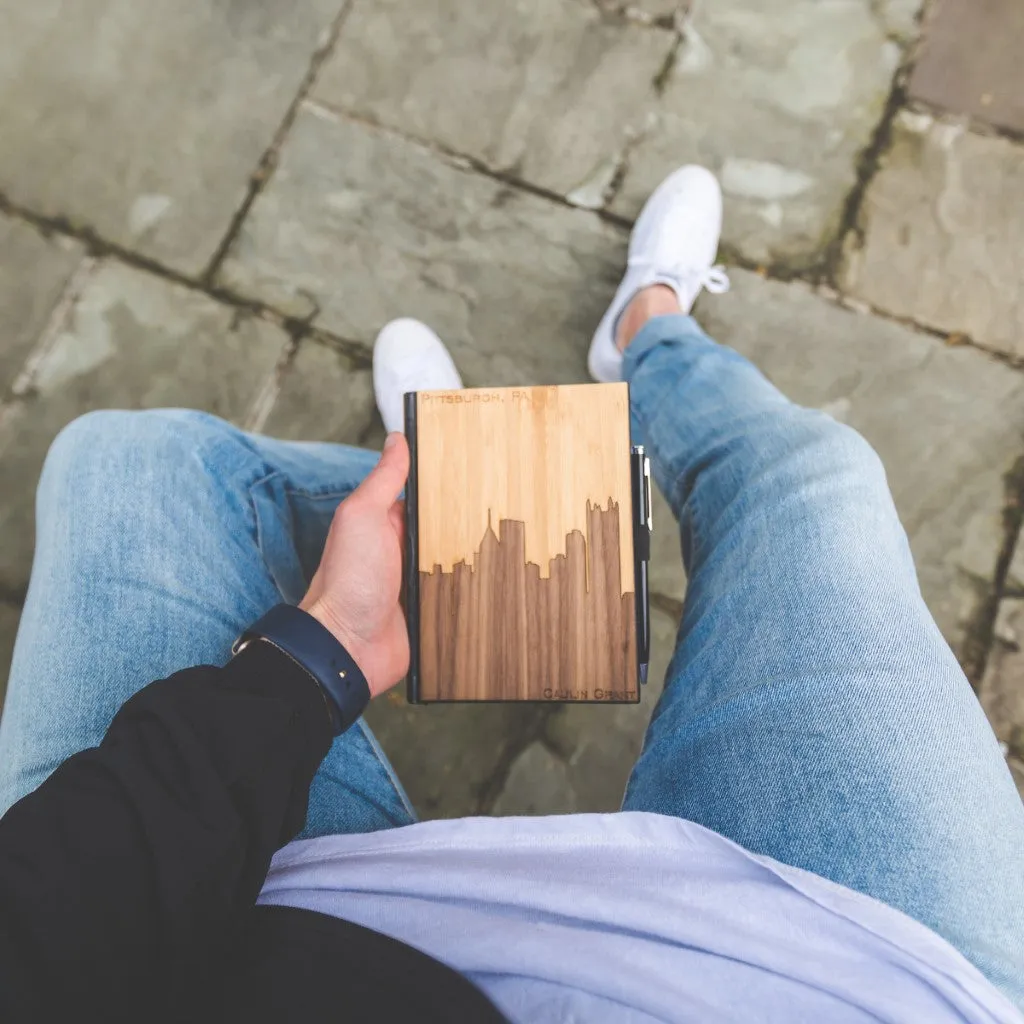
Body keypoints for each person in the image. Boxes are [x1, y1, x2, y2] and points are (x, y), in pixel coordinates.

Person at [0, 166, 1021, 1024]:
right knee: (812, 478)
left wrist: (318, 656)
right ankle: (633, 338)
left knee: (130, 465)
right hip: (854, 969)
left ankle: (464, 454)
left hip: (265, 930)